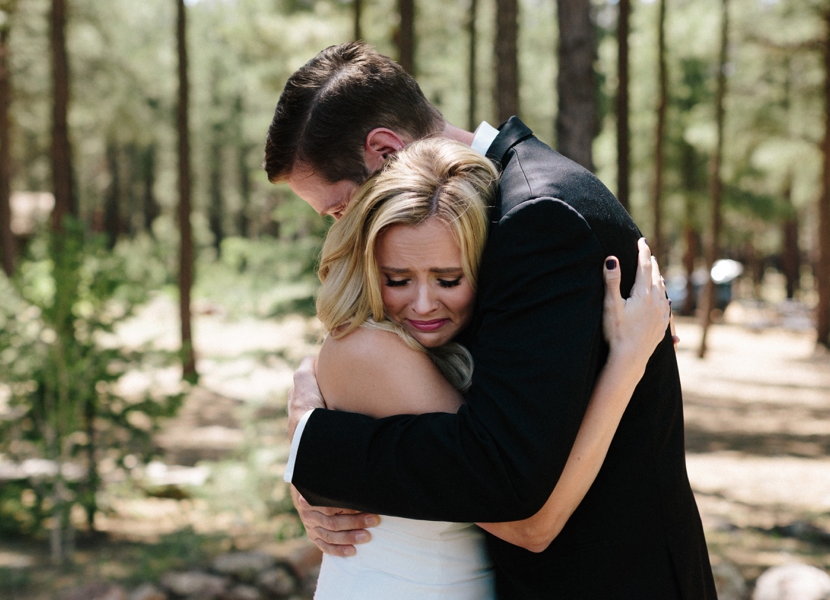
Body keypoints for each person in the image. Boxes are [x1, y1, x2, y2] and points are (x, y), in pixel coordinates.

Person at [266, 42, 718, 599]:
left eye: (338, 210)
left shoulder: (534, 219)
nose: (341, 231)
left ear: (385, 154)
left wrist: (319, 447)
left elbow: (502, 478)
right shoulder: (496, 209)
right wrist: (315, 406)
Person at [309, 137, 671, 598]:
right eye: (396, 280)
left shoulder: (439, 349)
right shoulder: (373, 351)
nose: (422, 304)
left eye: (448, 279)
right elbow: (532, 526)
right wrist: (626, 360)